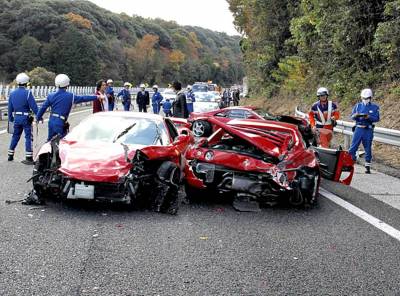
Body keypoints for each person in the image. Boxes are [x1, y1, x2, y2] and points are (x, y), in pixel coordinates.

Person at [36, 74, 101, 141]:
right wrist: (96, 97)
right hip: (61, 122)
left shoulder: (51, 95)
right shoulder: (70, 96)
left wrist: (38, 117)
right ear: (67, 84)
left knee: (50, 142)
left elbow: (43, 108)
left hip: (52, 121)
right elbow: (83, 98)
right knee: (62, 143)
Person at [7, 73, 39, 165]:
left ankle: (10, 155)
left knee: (15, 136)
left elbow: (10, 108)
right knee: (28, 137)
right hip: (25, 118)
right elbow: (34, 107)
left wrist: (10, 118)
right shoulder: (28, 93)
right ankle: (28, 157)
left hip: (16, 118)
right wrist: (39, 116)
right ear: (26, 83)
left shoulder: (12, 94)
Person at [349, 88, 380, 174]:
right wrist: (356, 115)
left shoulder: (375, 107)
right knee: (353, 147)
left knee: (367, 147)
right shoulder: (358, 106)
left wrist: (368, 117)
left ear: (370, 98)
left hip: (368, 129)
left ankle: (367, 166)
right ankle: (350, 164)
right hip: (358, 128)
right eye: (363, 98)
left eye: (367, 98)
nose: (365, 100)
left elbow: (377, 118)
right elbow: (351, 117)